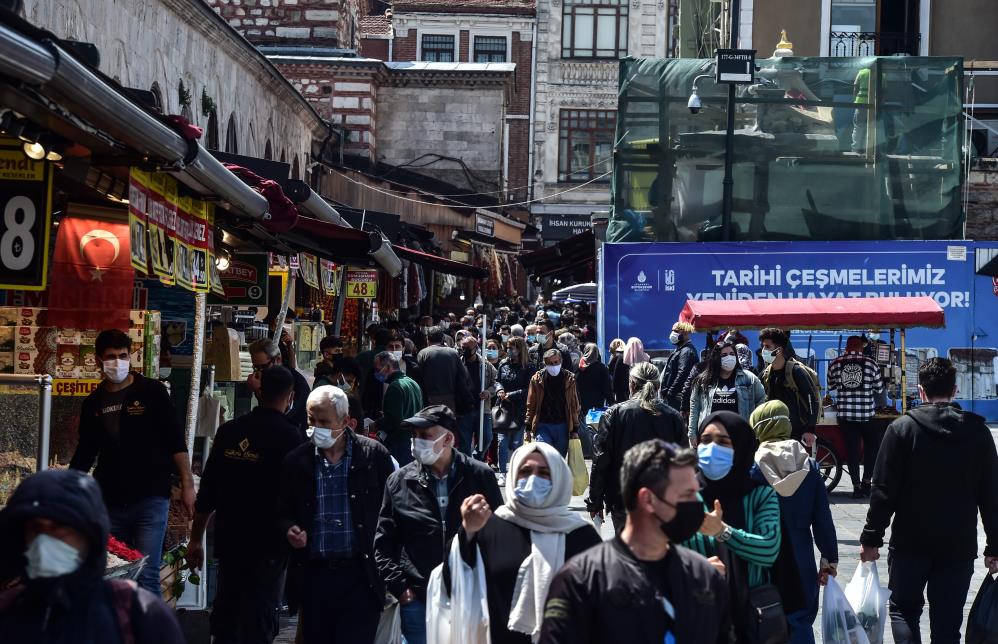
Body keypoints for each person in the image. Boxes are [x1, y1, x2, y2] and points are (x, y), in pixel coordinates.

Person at [860, 358, 998, 644]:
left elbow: (883, 491)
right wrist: (995, 546)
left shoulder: (902, 430)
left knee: (903, 611)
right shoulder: (978, 433)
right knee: (948, 622)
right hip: (958, 545)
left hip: (910, 543)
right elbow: (991, 495)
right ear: (955, 390)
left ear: (920, 391)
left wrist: (871, 538)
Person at [540, 440, 729, 644]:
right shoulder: (581, 579)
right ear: (648, 500)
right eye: (687, 495)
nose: (697, 504)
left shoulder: (704, 577)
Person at [69, 329, 194, 595]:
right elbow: (85, 452)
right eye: (111, 357)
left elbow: (175, 440)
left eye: (123, 356)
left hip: (150, 498)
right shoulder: (93, 402)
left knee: (147, 575)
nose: (117, 362)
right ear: (98, 360)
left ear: (131, 357)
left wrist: (187, 485)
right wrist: (66, 488)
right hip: (110, 501)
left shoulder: (152, 392)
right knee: (116, 577)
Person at [187, 365, 302, 643]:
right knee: (258, 618)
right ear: (291, 396)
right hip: (269, 546)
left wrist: (195, 540)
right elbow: (297, 497)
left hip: (231, 541)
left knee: (228, 613)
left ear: (258, 391)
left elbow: (208, 493)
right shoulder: (291, 437)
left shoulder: (229, 431)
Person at [0, 469, 184, 643]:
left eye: (61, 529)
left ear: (89, 537)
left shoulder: (139, 614)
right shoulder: (7, 609)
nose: (45, 542)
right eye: (36, 528)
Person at [443, 442, 601, 643]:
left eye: (544, 472)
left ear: (560, 478)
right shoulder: (489, 527)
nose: (533, 478)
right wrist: (467, 532)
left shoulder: (581, 535)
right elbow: (453, 580)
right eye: (525, 471)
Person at [374, 405, 503, 644]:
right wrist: (401, 589)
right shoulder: (399, 481)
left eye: (425, 435)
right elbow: (384, 541)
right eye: (414, 435)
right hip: (418, 599)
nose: (416, 442)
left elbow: (500, 534)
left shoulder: (479, 475)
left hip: (470, 595)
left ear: (449, 439)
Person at [278, 385, 395, 644]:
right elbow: (281, 509)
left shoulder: (373, 456)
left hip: (361, 575)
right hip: (315, 576)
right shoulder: (297, 461)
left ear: (345, 421)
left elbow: (393, 514)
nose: (316, 427)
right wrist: (289, 528)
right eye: (312, 420)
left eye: (324, 421)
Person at [750, 401, 838, 644]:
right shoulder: (810, 466)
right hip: (801, 556)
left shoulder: (753, 467)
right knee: (800, 619)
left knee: (763, 619)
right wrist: (829, 560)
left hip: (764, 554)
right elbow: (823, 519)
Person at [685, 411, 781, 593]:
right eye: (705, 440)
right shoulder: (684, 495)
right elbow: (662, 551)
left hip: (750, 610)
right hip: (694, 606)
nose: (712, 448)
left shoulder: (760, 495)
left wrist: (723, 531)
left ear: (741, 447)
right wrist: (696, 569)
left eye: (723, 442)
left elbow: (768, 550)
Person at [589, 362, 687, 533]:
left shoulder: (616, 414)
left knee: (629, 554)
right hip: (663, 500)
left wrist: (595, 501)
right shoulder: (673, 416)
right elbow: (683, 464)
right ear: (658, 385)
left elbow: (602, 460)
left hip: (623, 500)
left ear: (632, 384)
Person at [826, 335, 885, 498]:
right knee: (871, 447)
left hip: (845, 415)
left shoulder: (835, 363)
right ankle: (867, 482)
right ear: (861, 347)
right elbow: (879, 388)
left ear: (846, 347)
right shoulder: (871, 363)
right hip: (867, 414)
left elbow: (831, 387)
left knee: (852, 450)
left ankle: (856, 487)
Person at [688, 341, 766, 445]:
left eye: (732, 354)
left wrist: (756, 430)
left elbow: (762, 401)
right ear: (716, 358)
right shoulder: (702, 381)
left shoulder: (749, 378)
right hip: (711, 437)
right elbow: (694, 408)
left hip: (740, 436)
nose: (729, 357)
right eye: (724, 355)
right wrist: (692, 434)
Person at [758, 327, 819, 447]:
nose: (763, 350)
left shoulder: (795, 371)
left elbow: (812, 400)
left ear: (779, 350)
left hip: (796, 433)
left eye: (767, 346)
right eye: (763, 346)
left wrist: (810, 430)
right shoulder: (766, 374)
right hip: (774, 432)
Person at [249, 337, 311, 441]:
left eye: (264, 367)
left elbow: (278, 417)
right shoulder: (266, 379)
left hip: (294, 441)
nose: (259, 372)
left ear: (278, 360)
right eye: (256, 368)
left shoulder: (295, 383)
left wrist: (258, 391)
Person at [372, 350, 424, 467]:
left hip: (399, 444)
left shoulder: (395, 387)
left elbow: (394, 421)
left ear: (388, 367)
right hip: (411, 440)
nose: (376, 373)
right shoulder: (412, 383)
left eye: (377, 369)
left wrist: (376, 424)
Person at [525, 349, 581, 457]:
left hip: (563, 426)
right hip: (542, 425)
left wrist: (575, 429)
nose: (553, 365)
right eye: (550, 363)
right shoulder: (536, 379)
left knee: (559, 460)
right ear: (544, 363)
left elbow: (574, 405)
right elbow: (531, 404)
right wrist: (528, 428)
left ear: (561, 361)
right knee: (545, 457)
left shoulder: (569, 379)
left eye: (556, 362)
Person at [495, 336, 535, 485]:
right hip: (503, 408)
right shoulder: (503, 364)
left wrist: (510, 395)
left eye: (511, 348)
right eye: (507, 347)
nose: (508, 351)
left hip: (519, 409)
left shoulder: (529, 367)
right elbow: (497, 380)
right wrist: (499, 390)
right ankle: (503, 473)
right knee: (502, 442)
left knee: (517, 443)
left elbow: (530, 389)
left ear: (519, 349)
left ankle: (515, 470)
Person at [458, 335, 500, 460]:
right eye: (463, 348)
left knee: (487, 438)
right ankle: (467, 468)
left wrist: (488, 392)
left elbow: (496, 382)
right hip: (464, 410)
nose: (465, 351)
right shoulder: (458, 364)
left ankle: (477, 459)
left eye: (468, 348)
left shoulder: (485, 365)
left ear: (476, 348)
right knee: (465, 444)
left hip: (483, 409)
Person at [416, 326, 474, 414]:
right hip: (449, 402)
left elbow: (418, 378)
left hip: (428, 401)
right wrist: (468, 401)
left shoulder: (423, 353)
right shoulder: (453, 353)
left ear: (427, 339)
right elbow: (462, 379)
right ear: (443, 338)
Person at [575, 343, 613, 458]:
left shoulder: (578, 366)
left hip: (581, 402)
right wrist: (611, 402)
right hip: (596, 403)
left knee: (583, 427)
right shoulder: (601, 368)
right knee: (595, 427)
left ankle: (585, 449)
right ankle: (594, 449)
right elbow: (607, 388)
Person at [660, 321, 699, 411]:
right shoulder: (682, 349)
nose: (673, 334)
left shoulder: (686, 351)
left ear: (685, 332)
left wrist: (670, 393)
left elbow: (682, 373)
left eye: (676, 331)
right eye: (672, 331)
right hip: (673, 398)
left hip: (676, 399)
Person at [614, 337, 649, 404]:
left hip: (623, 393)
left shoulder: (622, 358)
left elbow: (616, 376)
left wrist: (614, 390)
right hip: (643, 393)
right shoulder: (647, 358)